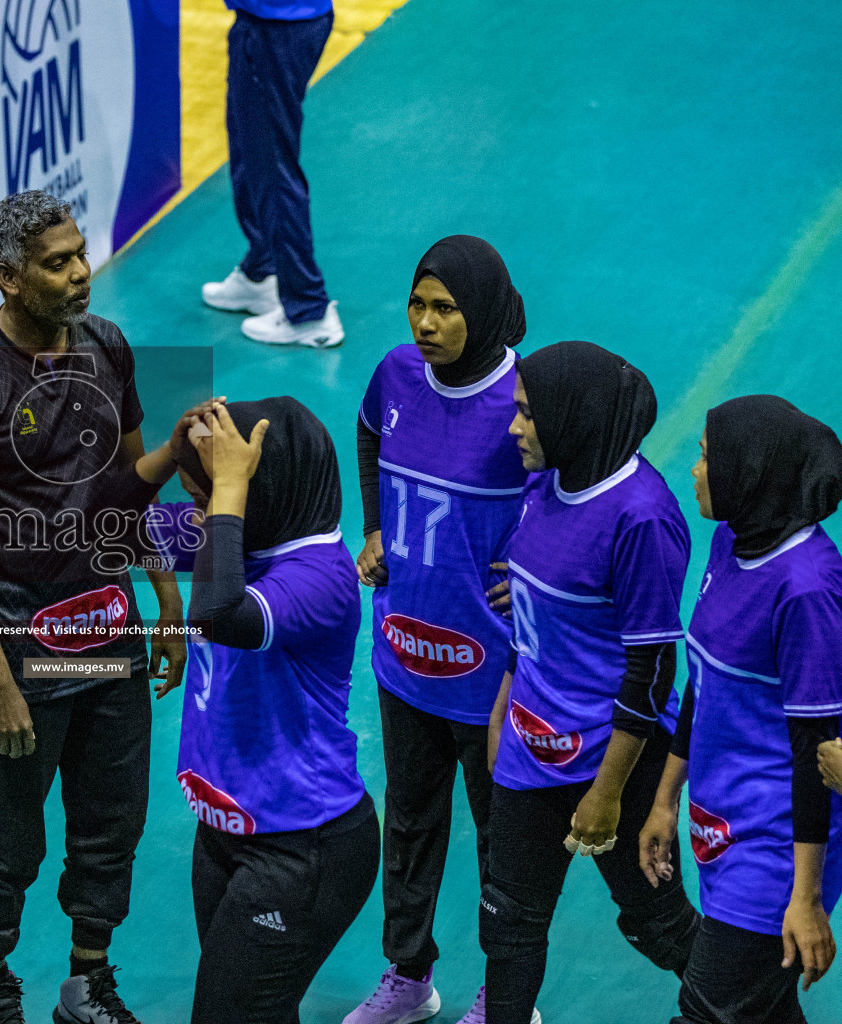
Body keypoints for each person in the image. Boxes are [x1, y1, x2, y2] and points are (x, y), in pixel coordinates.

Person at [0, 189, 187, 1024]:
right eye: (58, 263)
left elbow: (129, 489)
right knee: (8, 833)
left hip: (106, 632)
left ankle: (87, 981)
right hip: (20, 647)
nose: (81, 273)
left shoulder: (107, 346)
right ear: (8, 277)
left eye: (79, 254)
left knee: (111, 820)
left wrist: (169, 600)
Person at [480, 341, 702, 1024]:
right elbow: (537, 615)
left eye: (525, 414)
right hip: (528, 747)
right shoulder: (543, 484)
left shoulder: (643, 517)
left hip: (612, 762)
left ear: (573, 418)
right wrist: (501, 713)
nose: (513, 428)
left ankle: (753, 1010)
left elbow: (653, 667)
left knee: (657, 924)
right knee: (508, 925)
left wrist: (606, 794)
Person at [142, 397, 377, 1023]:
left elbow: (219, 613)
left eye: (208, 497)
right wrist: (171, 454)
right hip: (224, 830)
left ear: (254, 486)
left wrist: (225, 490)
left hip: (301, 848)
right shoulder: (236, 533)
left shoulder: (319, 575)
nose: (198, 515)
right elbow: (108, 516)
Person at [344, 236, 528, 1024]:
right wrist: (377, 526)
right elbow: (369, 434)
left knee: (501, 842)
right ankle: (409, 977)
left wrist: (532, 572)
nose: (426, 323)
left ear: (479, 311)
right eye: (418, 304)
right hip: (406, 657)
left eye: (445, 309)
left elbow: (566, 490)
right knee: (412, 823)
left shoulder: (526, 395)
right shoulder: (393, 374)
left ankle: (507, 996)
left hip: (492, 676)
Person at [639, 396, 842, 1024]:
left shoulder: (806, 590)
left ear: (751, 471)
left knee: (705, 1013)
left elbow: (818, 755)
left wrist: (803, 897)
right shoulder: (732, 539)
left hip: (776, 846)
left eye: (706, 456)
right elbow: (704, 680)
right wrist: (667, 799)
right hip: (719, 826)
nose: (694, 470)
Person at [200, 0, 342, 349]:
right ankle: (261, 269)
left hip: (279, 28)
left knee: (273, 172)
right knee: (249, 153)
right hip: (263, 20)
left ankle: (308, 309)